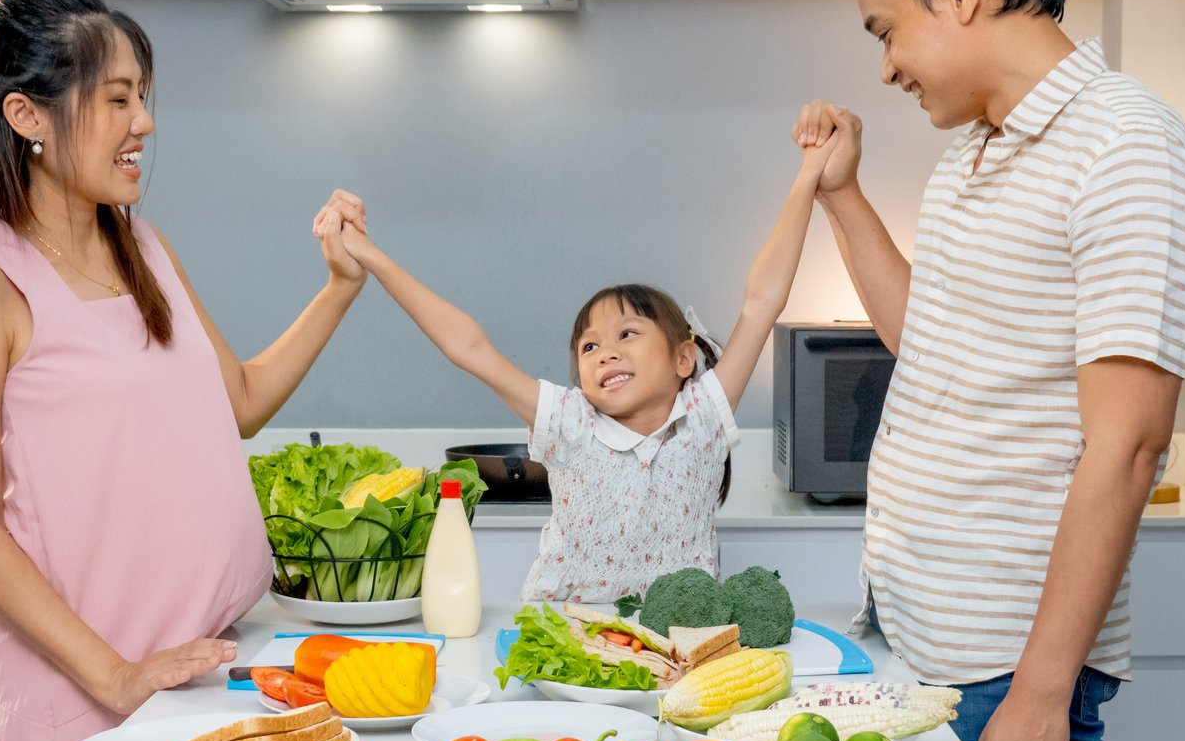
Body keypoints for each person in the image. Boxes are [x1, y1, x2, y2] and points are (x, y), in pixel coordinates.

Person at [793, 0, 1185, 741]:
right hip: (922, 630)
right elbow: (920, 335)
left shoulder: (1125, 150)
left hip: (1007, 653)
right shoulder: (973, 156)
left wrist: (1039, 696)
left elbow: (1125, 448)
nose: (883, 65)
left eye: (885, 28)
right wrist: (843, 193)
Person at [0, 0, 370, 741]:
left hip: (195, 669)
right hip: (81, 693)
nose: (144, 123)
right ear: (28, 116)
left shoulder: (144, 248)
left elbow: (240, 402)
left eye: (142, 98)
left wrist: (339, 290)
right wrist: (114, 677)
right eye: (117, 99)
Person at [314, 134, 840, 603]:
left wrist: (809, 175)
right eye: (588, 348)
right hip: (567, 643)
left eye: (627, 334)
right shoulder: (568, 421)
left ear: (684, 358)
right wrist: (372, 258)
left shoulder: (702, 417)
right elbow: (469, 346)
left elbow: (762, 299)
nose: (604, 352)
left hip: (677, 649)